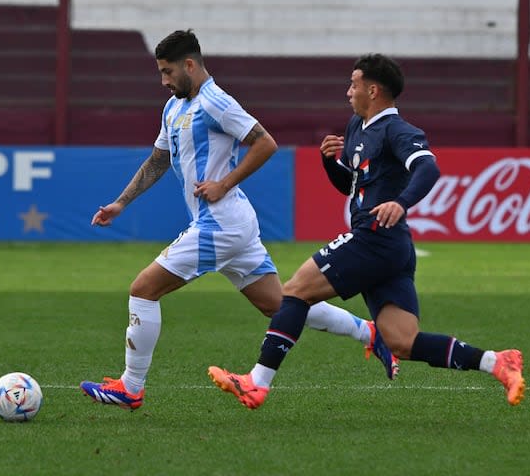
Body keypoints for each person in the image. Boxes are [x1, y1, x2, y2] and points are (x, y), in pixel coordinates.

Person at [79, 31, 398, 411]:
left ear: (190, 65)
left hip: (220, 224)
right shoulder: (173, 108)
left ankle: (131, 388)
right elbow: (158, 160)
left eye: (168, 72)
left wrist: (223, 183)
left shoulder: (217, 102)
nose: (164, 81)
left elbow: (265, 142)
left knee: (143, 289)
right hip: (232, 224)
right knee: (278, 305)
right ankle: (371, 332)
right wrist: (120, 203)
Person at [208, 53, 525, 409]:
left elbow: (428, 168)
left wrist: (401, 202)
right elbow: (351, 186)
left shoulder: (398, 130)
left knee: (295, 291)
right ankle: (497, 362)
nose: (348, 92)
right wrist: (331, 162)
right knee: (402, 341)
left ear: (373, 90)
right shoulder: (358, 127)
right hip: (390, 247)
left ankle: (257, 382)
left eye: (354, 84)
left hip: (376, 238)